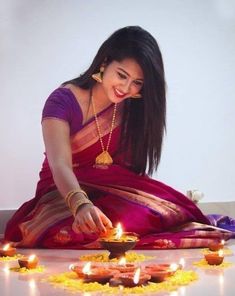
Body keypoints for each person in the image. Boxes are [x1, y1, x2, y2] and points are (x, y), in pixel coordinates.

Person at [4, 26, 234, 249]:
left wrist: (148, 201)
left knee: (140, 215)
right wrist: (81, 205)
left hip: (109, 191)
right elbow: (59, 163)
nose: (126, 88)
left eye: (137, 83)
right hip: (61, 192)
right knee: (63, 229)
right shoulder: (62, 101)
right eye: (122, 75)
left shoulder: (131, 108)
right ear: (105, 62)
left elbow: (126, 172)